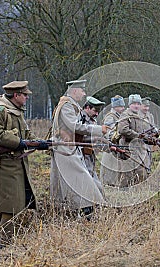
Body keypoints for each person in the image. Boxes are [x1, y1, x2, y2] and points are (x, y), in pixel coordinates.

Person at [0, 81, 45, 242]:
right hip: (4, 163)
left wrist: (40, 143)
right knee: (12, 202)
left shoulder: (16, 110)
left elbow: (26, 135)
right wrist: (20, 143)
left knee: (17, 198)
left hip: (15, 163)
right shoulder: (1, 110)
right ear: (16, 95)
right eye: (25, 95)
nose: (27, 98)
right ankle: (3, 239)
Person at [50, 79, 108, 217]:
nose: (84, 94)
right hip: (65, 148)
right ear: (75, 91)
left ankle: (79, 210)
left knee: (75, 181)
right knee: (81, 179)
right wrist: (98, 130)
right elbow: (74, 126)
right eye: (82, 91)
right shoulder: (67, 106)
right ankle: (85, 210)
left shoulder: (71, 105)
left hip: (69, 147)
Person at [116, 94, 150, 187]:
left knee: (142, 173)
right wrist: (138, 136)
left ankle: (137, 193)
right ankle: (121, 194)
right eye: (134, 103)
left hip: (139, 149)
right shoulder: (125, 115)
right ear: (129, 104)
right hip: (127, 149)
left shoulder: (140, 116)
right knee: (127, 174)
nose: (136, 106)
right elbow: (123, 130)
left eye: (138, 104)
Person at [100, 95, 126, 186]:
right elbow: (108, 132)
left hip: (117, 147)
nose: (123, 108)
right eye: (121, 106)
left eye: (123, 106)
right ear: (115, 107)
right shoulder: (110, 117)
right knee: (110, 170)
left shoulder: (119, 116)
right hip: (110, 148)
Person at [80, 96, 106, 184]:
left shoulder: (92, 120)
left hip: (90, 156)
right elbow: (79, 135)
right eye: (95, 111)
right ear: (87, 108)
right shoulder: (80, 119)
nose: (97, 114)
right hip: (81, 156)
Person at [138, 96, 157, 171]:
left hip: (148, 144)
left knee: (148, 161)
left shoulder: (150, 116)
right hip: (138, 144)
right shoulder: (136, 115)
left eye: (148, 106)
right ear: (140, 106)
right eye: (145, 106)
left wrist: (156, 134)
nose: (146, 108)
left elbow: (153, 127)